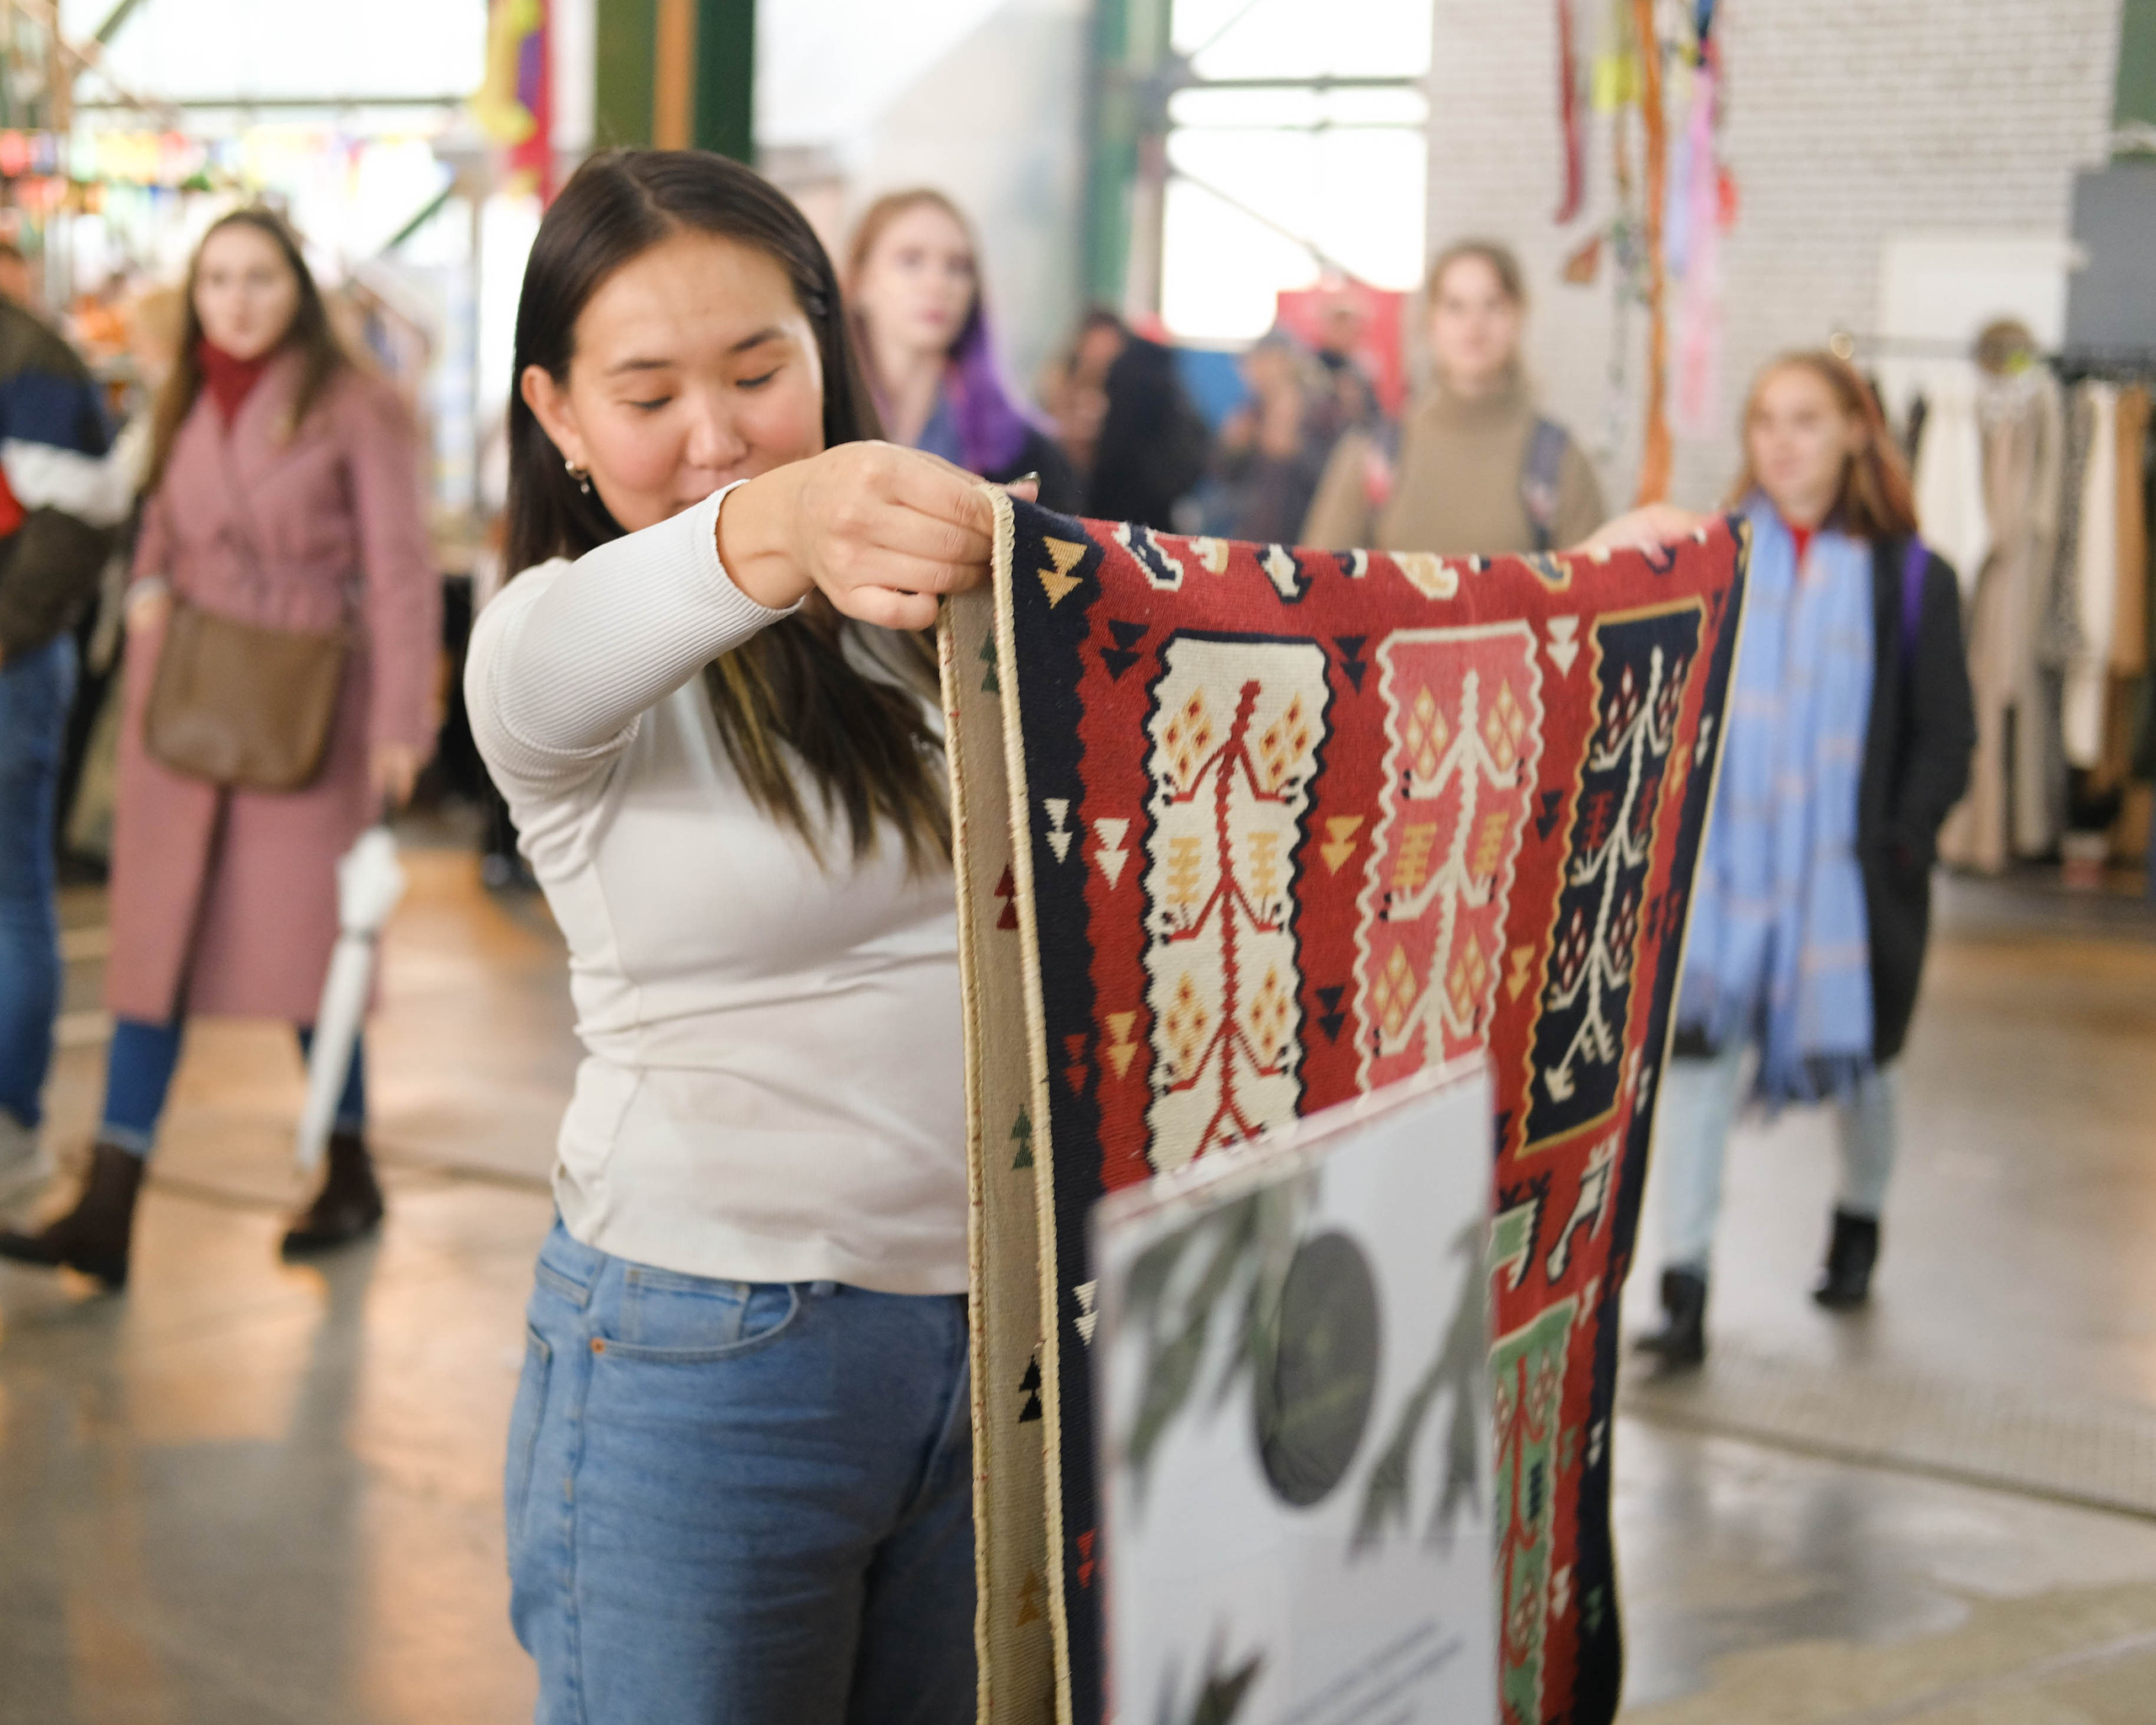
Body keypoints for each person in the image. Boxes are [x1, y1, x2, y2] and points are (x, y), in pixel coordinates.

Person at [0, 209, 440, 1290]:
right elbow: (154, 512)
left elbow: (399, 567)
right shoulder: (185, 393)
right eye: (217, 281)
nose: (236, 302)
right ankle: (110, 1199)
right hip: (187, 697)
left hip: (306, 704)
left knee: (306, 951)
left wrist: (400, 721)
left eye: (259, 278)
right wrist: (150, 589)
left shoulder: (357, 406)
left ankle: (347, 1163)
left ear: (298, 288)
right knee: (150, 946)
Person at [1634, 352, 1977, 1368]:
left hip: (1849, 886)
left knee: (1864, 1068)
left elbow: (1946, 735)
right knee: (1697, 1070)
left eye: (1807, 420)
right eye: (1765, 420)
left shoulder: (1910, 578)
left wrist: (1899, 843)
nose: (1781, 443)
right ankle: (1683, 1287)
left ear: (1857, 432)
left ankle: (1857, 1221)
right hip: (1724, 880)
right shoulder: (1711, 560)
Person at [0, 294, 116, 1211]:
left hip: (13, 670)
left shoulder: (31, 357)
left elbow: (82, 516)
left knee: (11, 894)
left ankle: (10, 1134)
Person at [1303, 238, 1604, 555]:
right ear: (1430, 321)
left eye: (1493, 305)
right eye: (1455, 306)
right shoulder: (1374, 455)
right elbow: (1319, 578)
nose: (1474, 325)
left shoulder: (1559, 462)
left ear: (1518, 316)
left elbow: (1592, 582)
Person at [844, 187, 1080, 512]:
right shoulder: (817, 426)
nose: (937, 283)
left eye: (957, 267)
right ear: (859, 282)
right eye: (911, 260)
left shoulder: (1029, 453)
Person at [1071, 307, 1210, 531]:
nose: (1095, 351)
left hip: (1124, 513)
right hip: (1155, 511)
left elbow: (1115, 455)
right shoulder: (1161, 376)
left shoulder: (1130, 379)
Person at [1210, 331, 1337, 544]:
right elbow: (1225, 475)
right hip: (1253, 537)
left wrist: (1295, 452)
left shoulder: (1322, 412)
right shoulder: (1251, 412)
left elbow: (1336, 480)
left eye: (1261, 361)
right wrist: (1234, 447)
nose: (1251, 370)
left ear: (1284, 361)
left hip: (1305, 538)